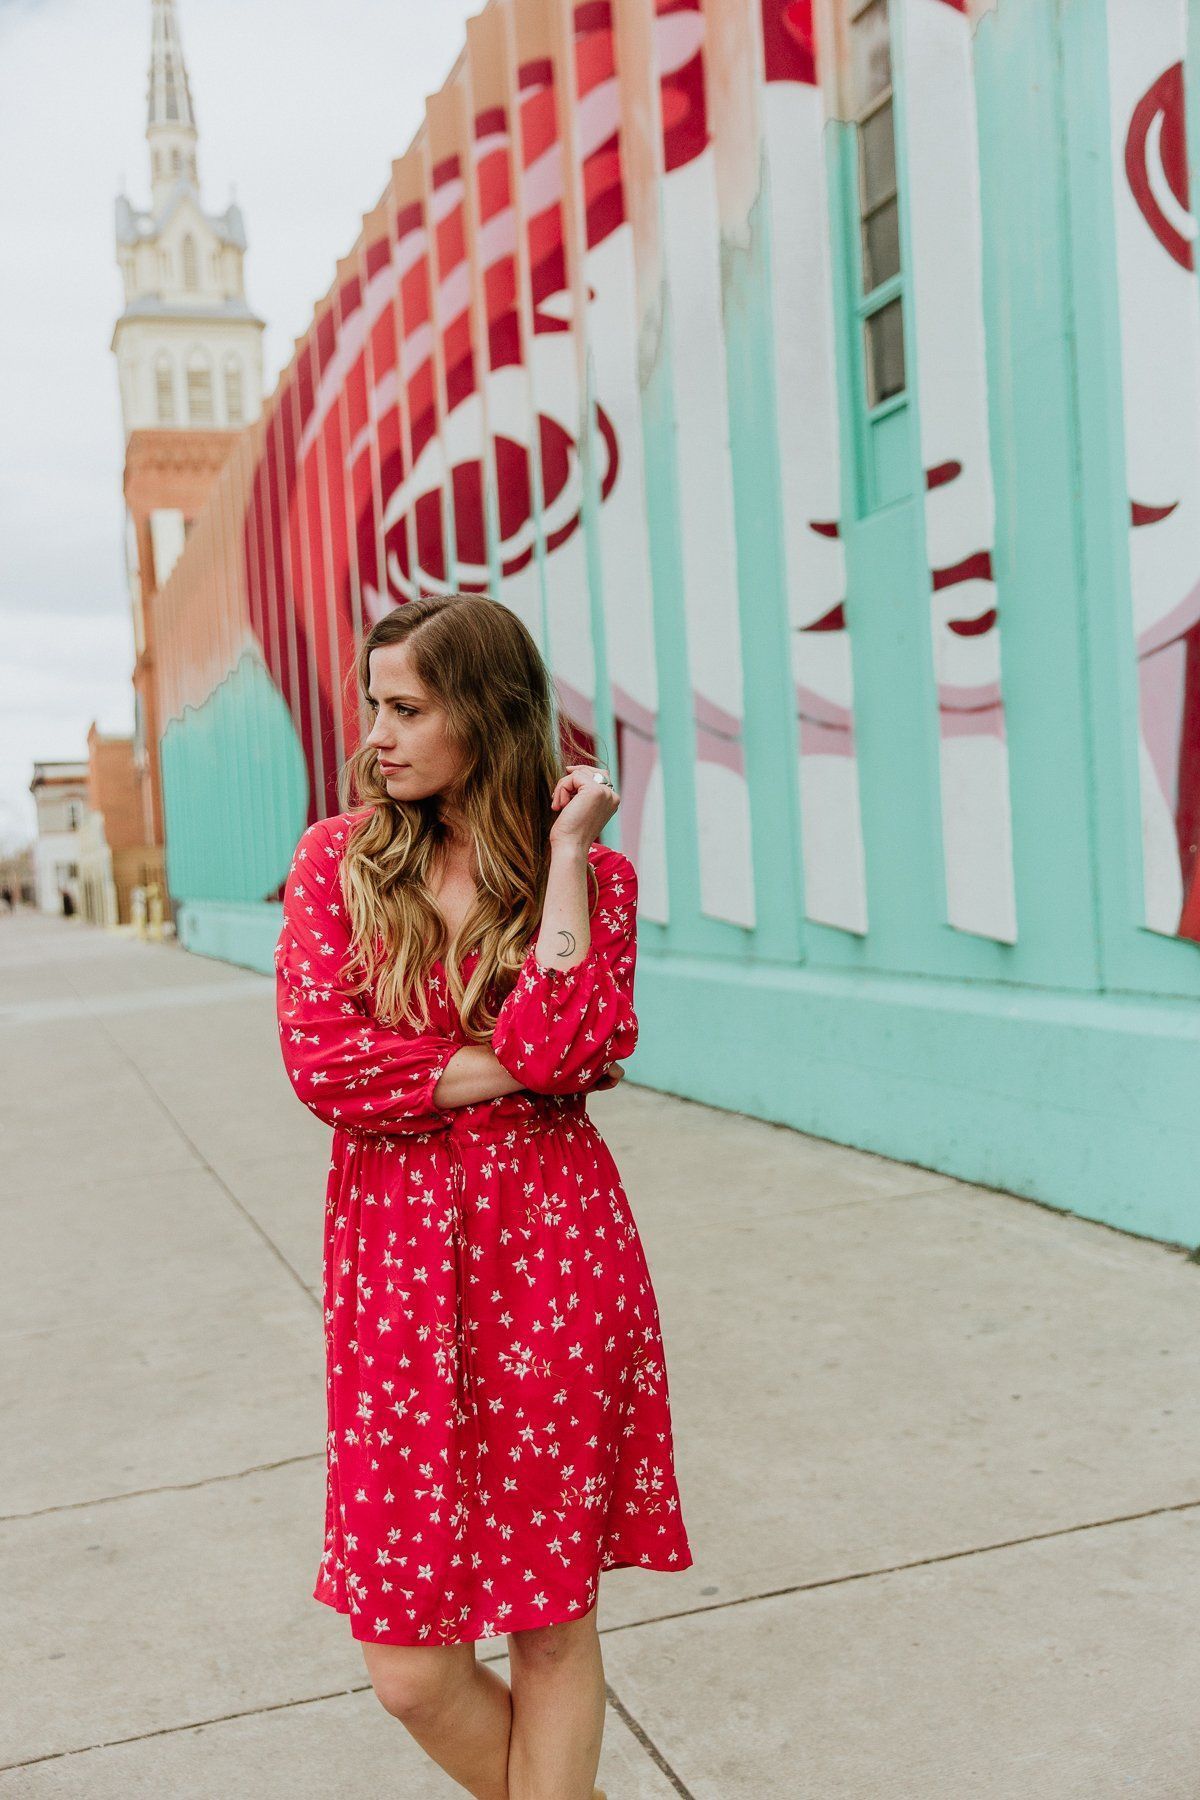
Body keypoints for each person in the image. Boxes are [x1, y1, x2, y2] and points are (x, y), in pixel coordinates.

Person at [275, 593, 692, 1799]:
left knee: (552, 1620)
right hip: (396, 1269)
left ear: (489, 713)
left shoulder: (590, 877)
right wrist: (526, 1058)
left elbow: (574, 1052)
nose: (377, 736)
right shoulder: (335, 860)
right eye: (374, 706)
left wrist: (562, 858)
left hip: (556, 1262)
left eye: (407, 708)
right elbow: (325, 1065)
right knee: (410, 1666)